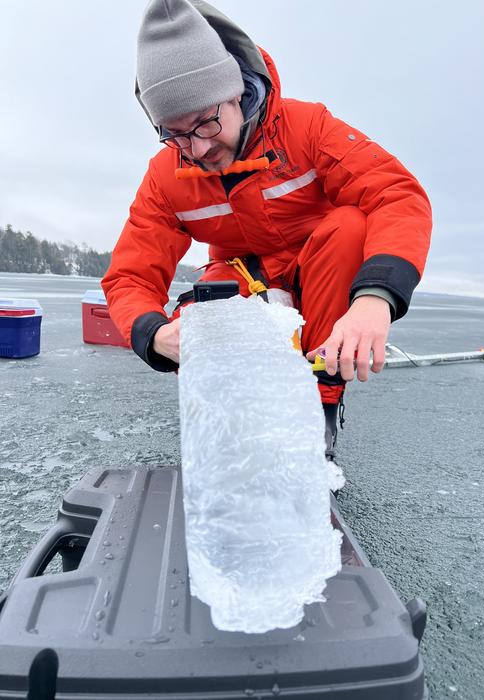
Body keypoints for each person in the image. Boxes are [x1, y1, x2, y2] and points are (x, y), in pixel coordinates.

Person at [102, 0, 432, 461]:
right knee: (208, 296)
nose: (197, 148)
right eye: (175, 133)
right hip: (247, 274)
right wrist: (155, 334)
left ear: (236, 91)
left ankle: (320, 408)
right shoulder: (165, 175)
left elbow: (397, 196)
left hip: (321, 268)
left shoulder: (307, 128)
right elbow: (129, 276)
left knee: (350, 226)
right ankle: (236, 418)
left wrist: (375, 301)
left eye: (205, 122)